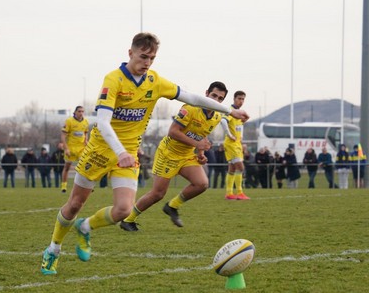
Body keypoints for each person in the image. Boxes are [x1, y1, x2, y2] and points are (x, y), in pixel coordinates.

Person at [37, 33, 249, 276]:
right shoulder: (113, 80)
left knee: (123, 210)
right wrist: (119, 151)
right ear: (130, 53)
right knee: (75, 203)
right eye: (143, 56)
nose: (147, 62)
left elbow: (189, 96)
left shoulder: (154, 80)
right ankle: (53, 249)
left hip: (127, 155)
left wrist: (229, 110)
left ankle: (85, 227)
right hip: (99, 150)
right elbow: (103, 122)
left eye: (152, 58)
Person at [119, 82, 228, 231]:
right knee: (157, 194)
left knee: (202, 184)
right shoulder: (189, 108)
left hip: (187, 154)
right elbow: (173, 132)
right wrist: (197, 144)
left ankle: (172, 206)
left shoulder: (216, 117)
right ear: (206, 93)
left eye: (220, 98)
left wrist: (201, 154)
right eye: (213, 95)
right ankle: (128, 219)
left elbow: (201, 137)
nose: (215, 100)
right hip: (168, 154)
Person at [221, 90, 249, 200]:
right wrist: (229, 134)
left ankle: (229, 193)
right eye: (239, 98)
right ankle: (240, 193)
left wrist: (240, 138)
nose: (241, 101)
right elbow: (223, 121)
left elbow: (240, 125)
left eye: (243, 99)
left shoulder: (239, 112)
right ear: (234, 99)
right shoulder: (230, 111)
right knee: (240, 167)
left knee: (232, 169)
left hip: (236, 144)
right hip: (231, 144)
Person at [59, 106, 90, 193]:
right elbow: (63, 136)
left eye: (82, 111)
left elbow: (85, 133)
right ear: (75, 112)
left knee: (85, 167)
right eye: (79, 111)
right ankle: (64, 186)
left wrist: (86, 141)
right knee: (67, 167)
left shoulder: (86, 121)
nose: (81, 113)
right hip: (71, 148)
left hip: (81, 149)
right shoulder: (69, 121)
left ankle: (86, 186)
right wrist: (66, 148)